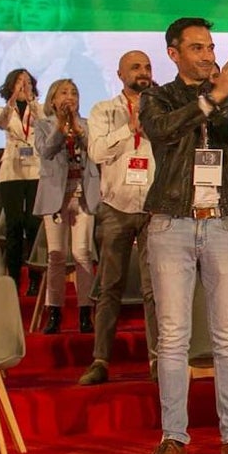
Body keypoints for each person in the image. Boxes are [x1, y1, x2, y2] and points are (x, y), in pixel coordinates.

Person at [138, 17, 228, 454]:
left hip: (224, 222)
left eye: (210, 47)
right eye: (197, 47)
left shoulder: (226, 92)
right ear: (173, 53)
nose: (208, 54)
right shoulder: (158, 95)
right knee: (173, 337)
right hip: (171, 223)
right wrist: (212, 97)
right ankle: (174, 437)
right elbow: (164, 131)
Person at [82, 51, 158, 384]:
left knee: (155, 289)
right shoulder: (104, 110)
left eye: (147, 67)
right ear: (119, 73)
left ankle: (159, 360)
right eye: (136, 67)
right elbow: (97, 152)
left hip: (155, 206)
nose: (143, 72)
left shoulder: (161, 107)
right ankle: (100, 360)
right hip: (115, 205)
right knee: (109, 287)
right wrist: (130, 128)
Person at [33, 79, 99, 335]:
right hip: (55, 196)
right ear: (52, 99)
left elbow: (93, 151)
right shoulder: (43, 124)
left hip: (82, 194)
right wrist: (61, 125)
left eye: (74, 93)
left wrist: (78, 130)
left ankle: (85, 313)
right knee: (56, 255)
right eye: (64, 93)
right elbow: (46, 151)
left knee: (83, 253)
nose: (69, 97)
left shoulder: (87, 125)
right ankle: (55, 313)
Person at [0, 68, 42, 292]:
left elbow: (44, 123)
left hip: (35, 170)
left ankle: (35, 278)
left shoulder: (38, 108)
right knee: (14, 225)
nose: (23, 86)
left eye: (27, 82)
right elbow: (2, 123)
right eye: (19, 82)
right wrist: (12, 101)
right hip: (11, 170)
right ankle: (12, 278)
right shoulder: (4, 110)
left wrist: (31, 100)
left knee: (33, 223)